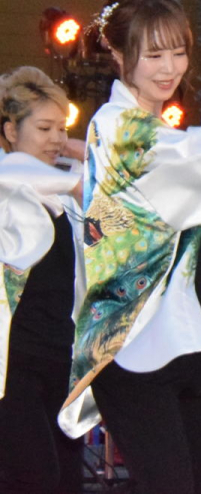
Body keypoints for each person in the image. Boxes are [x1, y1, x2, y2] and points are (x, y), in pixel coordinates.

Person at [57, 0, 201, 494]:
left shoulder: (153, 130)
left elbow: (193, 165)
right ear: (118, 54)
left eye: (177, 53)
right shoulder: (116, 126)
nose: (170, 69)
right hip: (133, 341)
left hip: (189, 338)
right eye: (153, 55)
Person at [0, 67, 85, 493]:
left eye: (62, 129)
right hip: (12, 362)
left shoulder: (67, 193)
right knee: (35, 476)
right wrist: (74, 179)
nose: (56, 139)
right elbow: (13, 172)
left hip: (61, 356)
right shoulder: (7, 181)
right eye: (45, 128)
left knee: (68, 479)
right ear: (11, 131)